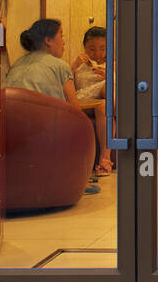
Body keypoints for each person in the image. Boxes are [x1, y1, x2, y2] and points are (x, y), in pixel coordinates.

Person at [6, 18, 110, 180]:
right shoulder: (60, 66)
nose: (64, 42)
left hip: (9, 128)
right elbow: (75, 110)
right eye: (61, 36)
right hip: (41, 130)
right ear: (48, 40)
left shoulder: (18, 63)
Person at [70, 26, 108, 101]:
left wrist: (108, 77)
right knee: (108, 86)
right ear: (84, 47)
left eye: (102, 49)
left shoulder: (112, 65)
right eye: (92, 49)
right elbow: (64, 84)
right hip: (83, 99)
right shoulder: (79, 65)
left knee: (102, 106)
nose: (97, 54)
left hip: (102, 102)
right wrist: (75, 66)